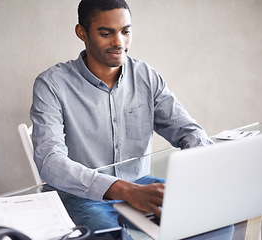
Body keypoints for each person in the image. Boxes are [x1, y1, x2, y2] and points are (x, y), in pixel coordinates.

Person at [30, 0, 234, 239]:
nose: (119, 42)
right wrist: (124, 190)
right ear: (81, 32)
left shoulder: (145, 76)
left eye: (126, 31)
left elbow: (187, 130)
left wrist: (205, 162)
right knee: (112, 238)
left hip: (139, 184)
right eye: (106, 33)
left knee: (216, 221)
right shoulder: (52, 84)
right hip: (80, 195)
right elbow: (50, 161)